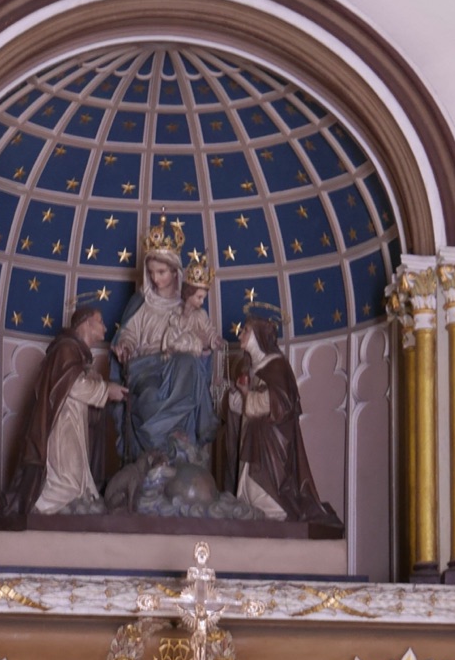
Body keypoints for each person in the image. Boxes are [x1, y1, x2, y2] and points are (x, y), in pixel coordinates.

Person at [112, 221, 220, 462]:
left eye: (161, 272)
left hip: (177, 366)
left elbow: (204, 341)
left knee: (187, 364)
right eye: (151, 272)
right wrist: (125, 345)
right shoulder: (142, 304)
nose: (155, 278)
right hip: (146, 368)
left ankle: (178, 438)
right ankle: (160, 447)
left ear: (175, 272)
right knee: (150, 396)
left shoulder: (189, 308)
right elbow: (129, 334)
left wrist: (205, 344)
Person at [6, 307, 127, 516]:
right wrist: (106, 390)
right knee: (67, 481)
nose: (105, 327)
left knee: (78, 481)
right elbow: (73, 386)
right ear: (86, 323)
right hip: (62, 424)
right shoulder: (66, 349)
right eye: (100, 321)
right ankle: (38, 509)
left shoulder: (79, 354)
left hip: (74, 424)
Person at [227, 317, 340, 524]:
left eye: (246, 331)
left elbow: (279, 402)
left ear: (259, 336)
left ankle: (274, 517)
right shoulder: (250, 367)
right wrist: (236, 395)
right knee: (248, 491)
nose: (240, 334)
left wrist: (246, 394)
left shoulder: (276, 366)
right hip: (253, 440)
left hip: (270, 443)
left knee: (264, 494)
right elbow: (242, 408)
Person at [160, 255, 225, 358]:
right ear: (189, 294)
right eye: (199, 297)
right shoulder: (177, 309)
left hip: (196, 352)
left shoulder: (201, 314)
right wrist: (185, 316)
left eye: (203, 298)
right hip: (179, 353)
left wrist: (216, 340)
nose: (202, 302)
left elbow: (209, 331)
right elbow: (172, 328)